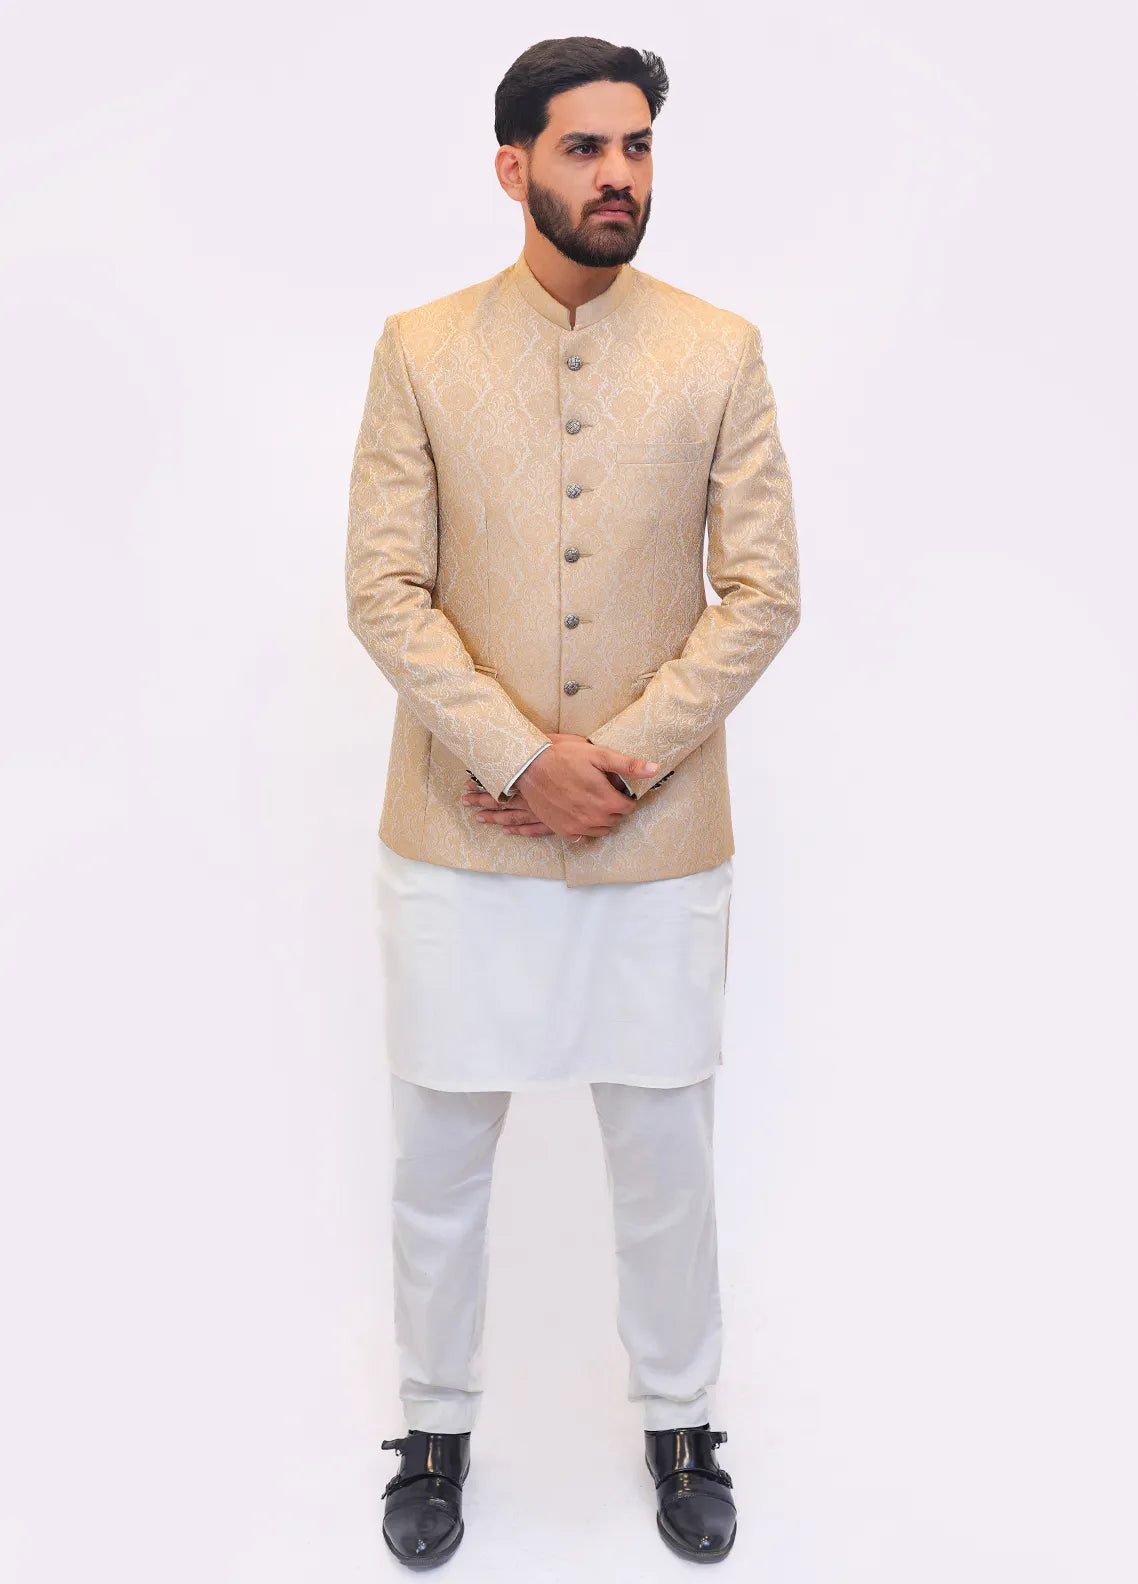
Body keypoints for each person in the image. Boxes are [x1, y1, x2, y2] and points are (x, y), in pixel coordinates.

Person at [345, 34, 801, 1568]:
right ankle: (430, 1429)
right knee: (437, 1162)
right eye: (585, 148)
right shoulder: (419, 349)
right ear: (513, 166)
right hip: (457, 836)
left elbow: (762, 591)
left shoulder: (719, 350)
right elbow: (382, 589)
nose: (618, 175)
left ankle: (680, 1423)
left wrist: (619, 761)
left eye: (637, 147)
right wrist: (512, 754)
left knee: (665, 1161)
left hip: (656, 841)